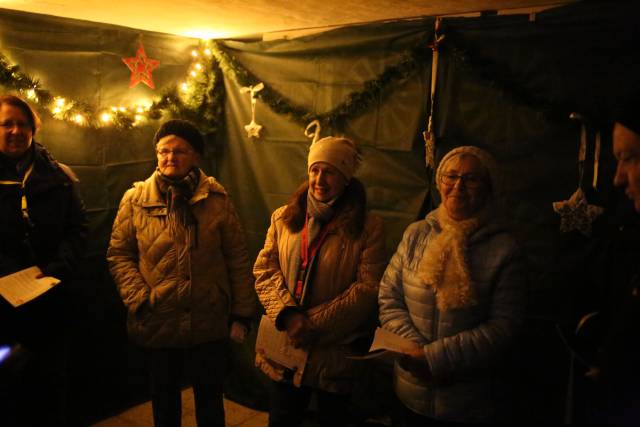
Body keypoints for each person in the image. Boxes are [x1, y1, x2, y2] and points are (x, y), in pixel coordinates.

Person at [107, 119, 256, 427]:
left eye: (180, 151)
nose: (170, 158)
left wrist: (241, 312)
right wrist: (139, 298)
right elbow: (119, 255)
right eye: (163, 151)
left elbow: (237, 257)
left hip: (208, 317)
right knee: (164, 399)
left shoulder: (217, 200)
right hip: (158, 316)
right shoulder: (135, 200)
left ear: (196, 156)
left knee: (210, 398)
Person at [378, 146, 526, 426]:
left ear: (488, 188)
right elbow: (389, 295)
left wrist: (436, 358)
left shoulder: (505, 249)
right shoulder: (416, 234)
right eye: (451, 176)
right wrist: (415, 352)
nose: (458, 186)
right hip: (409, 391)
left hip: (468, 402)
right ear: (440, 182)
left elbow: (504, 326)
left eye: (471, 179)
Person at [253, 136, 386, 427]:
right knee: (282, 419)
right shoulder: (284, 218)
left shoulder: (368, 228)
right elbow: (265, 269)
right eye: (315, 170)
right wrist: (288, 316)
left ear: (346, 178)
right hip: (286, 345)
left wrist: (311, 324)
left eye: (330, 172)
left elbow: (368, 287)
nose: (319, 179)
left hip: (333, 350)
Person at [0, 94, 88, 427]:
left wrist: (55, 271)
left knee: (50, 388)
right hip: (3, 310)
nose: (15, 131)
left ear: (33, 130)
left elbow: (77, 228)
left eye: (22, 124)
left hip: (51, 304)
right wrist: (11, 277)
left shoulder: (60, 177)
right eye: (6, 123)